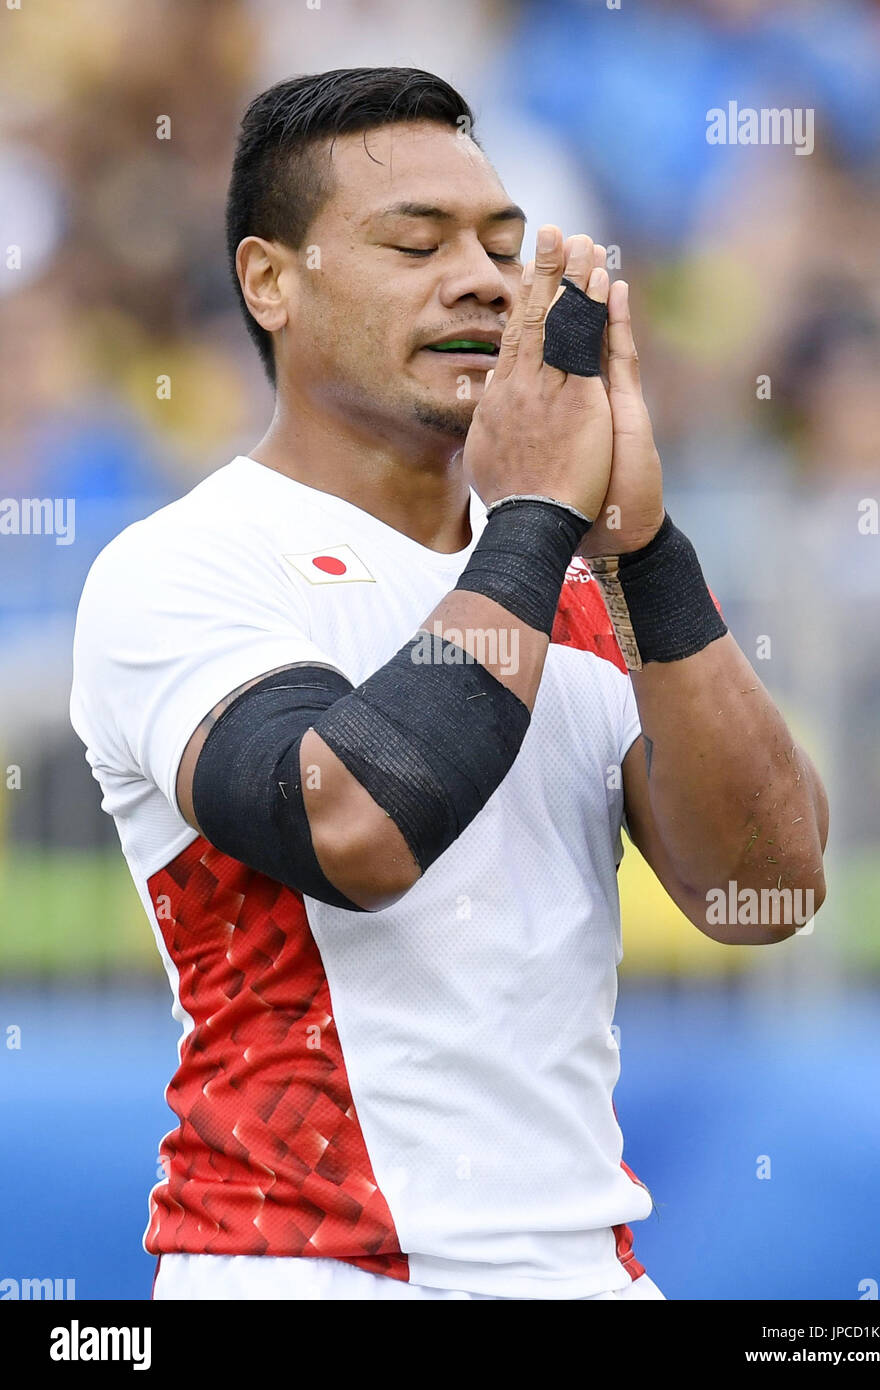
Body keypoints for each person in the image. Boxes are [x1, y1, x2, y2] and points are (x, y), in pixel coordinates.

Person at [70, 68, 828, 1302]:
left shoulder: (573, 579)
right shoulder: (181, 565)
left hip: (589, 1269)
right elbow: (358, 826)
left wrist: (646, 552)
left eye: (503, 247)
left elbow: (768, 891)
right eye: (414, 244)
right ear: (270, 282)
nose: (479, 278)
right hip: (306, 1267)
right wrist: (534, 519)